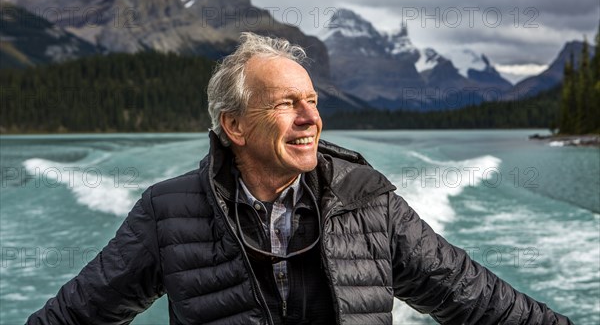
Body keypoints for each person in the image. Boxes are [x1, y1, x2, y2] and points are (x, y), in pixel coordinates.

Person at [28, 32, 573, 324]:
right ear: (234, 126)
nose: (311, 118)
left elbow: (476, 300)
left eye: (312, 101)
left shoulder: (369, 202)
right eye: (288, 104)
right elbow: (81, 311)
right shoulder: (167, 211)